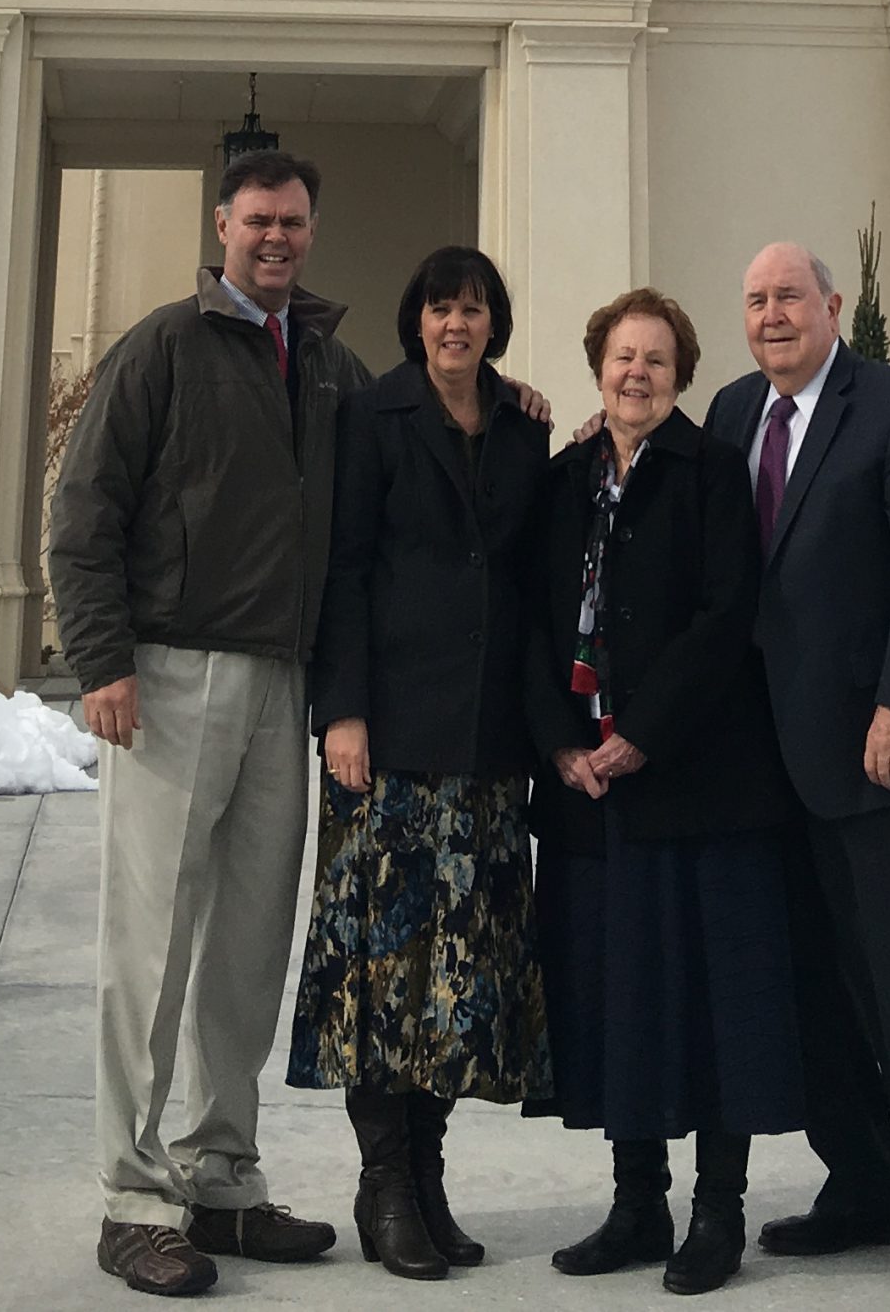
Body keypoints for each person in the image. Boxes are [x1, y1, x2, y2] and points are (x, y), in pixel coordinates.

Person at [49, 153, 365, 1297]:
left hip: (283, 684)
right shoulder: (163, 347)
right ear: (220, 226)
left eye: (293, 220)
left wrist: (519, 402)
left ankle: (221, 1174)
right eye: (256, 221)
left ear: (310, 230)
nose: (275, 238)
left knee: (245, 946)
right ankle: (136, 1199)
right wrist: (104, 661)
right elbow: (83, 513)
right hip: (172, 676)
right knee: (150, 946)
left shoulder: (327, 363)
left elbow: (412, 447)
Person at [706, 244, 890, 1298]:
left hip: (889, 757)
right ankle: (865, 1184)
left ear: (832, 305)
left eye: (789, 296)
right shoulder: (736, 412)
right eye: (754, 299)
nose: (771, 314)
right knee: (810, 995)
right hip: (777, 769)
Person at [526, 287, 801, 1297]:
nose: (634, 372)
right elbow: (530, 620)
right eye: (619, 355)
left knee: (712, 1001)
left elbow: (726, 615)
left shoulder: (711, 470)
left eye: (654, 358)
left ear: (680, 375)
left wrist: (641, 733)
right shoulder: (562, 481)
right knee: (615, 998)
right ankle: (634, 1202)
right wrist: (562, 740)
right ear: (596, 364)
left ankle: (715, 1211)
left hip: (697, 783)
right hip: (585, 792)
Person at [290, 244, 553, 1281]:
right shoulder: (376, 416)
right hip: (388, 741)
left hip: (486, 743)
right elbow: (344, 565)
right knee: (381, 974)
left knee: (455, 981)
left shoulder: (524, 424)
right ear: (417, 318)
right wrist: (341, 709)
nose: (457, 322)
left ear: (495, 322)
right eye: (441, 305)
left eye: (474, 307)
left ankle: (430, 1175)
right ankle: (382, 1181)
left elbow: (533, 566)